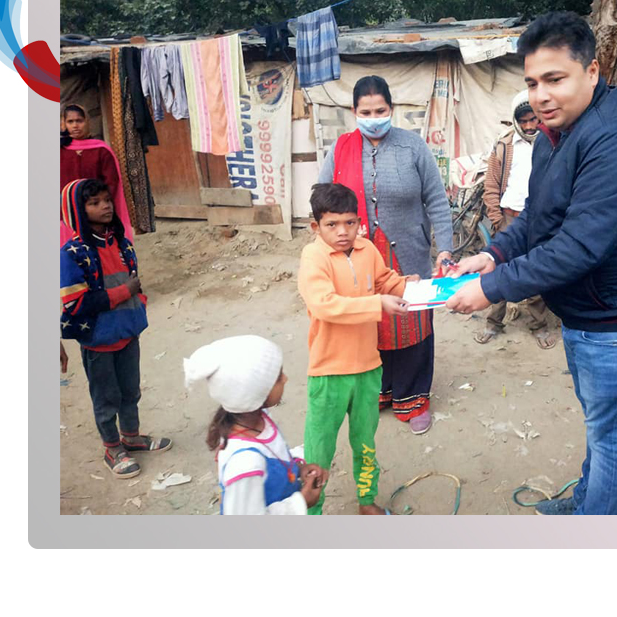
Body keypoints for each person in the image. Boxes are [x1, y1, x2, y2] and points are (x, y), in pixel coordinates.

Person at [446, 11, 617, 516]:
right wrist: (493, 254)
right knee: (602, 427)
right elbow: (539, 216)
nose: (541, 95)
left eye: (555, 79)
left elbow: (578, 245)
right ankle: (585, 503)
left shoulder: (615, 138)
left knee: (613, 436)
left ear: (592, 72)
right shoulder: (560, 134)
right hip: (594, 313)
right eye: (532, 82)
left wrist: (492, 288)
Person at [318, 75, 453, 435]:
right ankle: (378, 393)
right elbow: (321, 199)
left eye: (380, 110)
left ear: (391, 109)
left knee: (412, 323)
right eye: (366, 111)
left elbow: (437, 201)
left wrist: (447, 250)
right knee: (369, 324)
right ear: (354, 112)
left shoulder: (413, 147)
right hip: (358, 256)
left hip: (407, 253)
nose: (373, 116)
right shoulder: (341, 149)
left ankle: (413, 399)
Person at [298, 183, 413, 515]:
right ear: (315, 226)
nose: (343, 232)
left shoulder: (367, 249)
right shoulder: (313, 257)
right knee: (319, 452)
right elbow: (324, 305)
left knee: (365, 443)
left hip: (367, 367)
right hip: (329, 372)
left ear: (360, 222)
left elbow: (386, 281)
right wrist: (378, 303)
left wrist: (416, 286)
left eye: (350, 223)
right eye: (332, 225)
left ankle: (367, 500)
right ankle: (310, 511)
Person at [60, 178, 171, 478]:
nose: (105, 206)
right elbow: (75, 303)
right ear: (76, 211)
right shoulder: (72, 254)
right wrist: (125, 292)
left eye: (107, 200)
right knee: (106, 397)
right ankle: (112, 447)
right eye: (94, 203)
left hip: (127, 334)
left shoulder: (121, 243)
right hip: (98, 341)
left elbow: (135, 280)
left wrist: (139, 304)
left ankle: (131, 437)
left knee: (130, 391)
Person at [184, 335, 328, 515]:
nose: (285, 379)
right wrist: (300, 503)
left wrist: (298, 468)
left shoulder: (260, 419)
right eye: (277, 378)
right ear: (257, 393)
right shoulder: (244, 464)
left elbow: (274, 454)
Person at [475, 89, 556, 349]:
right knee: (499, 271)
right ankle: (493, 322)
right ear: (515, 120)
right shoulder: (504, 145)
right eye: (525, 120)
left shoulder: (553, 143)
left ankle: (538, 325)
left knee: (535, 274)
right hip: (509, 219)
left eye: (535, 119)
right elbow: (491, 185)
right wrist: (497, 220)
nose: (530, 125)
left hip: (539, 221)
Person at [60, 103, 133, 246]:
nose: (75, 126)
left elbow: (112, 182)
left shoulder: (101, 150)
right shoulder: (59, 150)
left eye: (79, 121)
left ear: (87, 122)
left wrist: (98, 204)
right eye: (70, 122)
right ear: (64, 124)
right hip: (67, 211)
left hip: (95, 213)